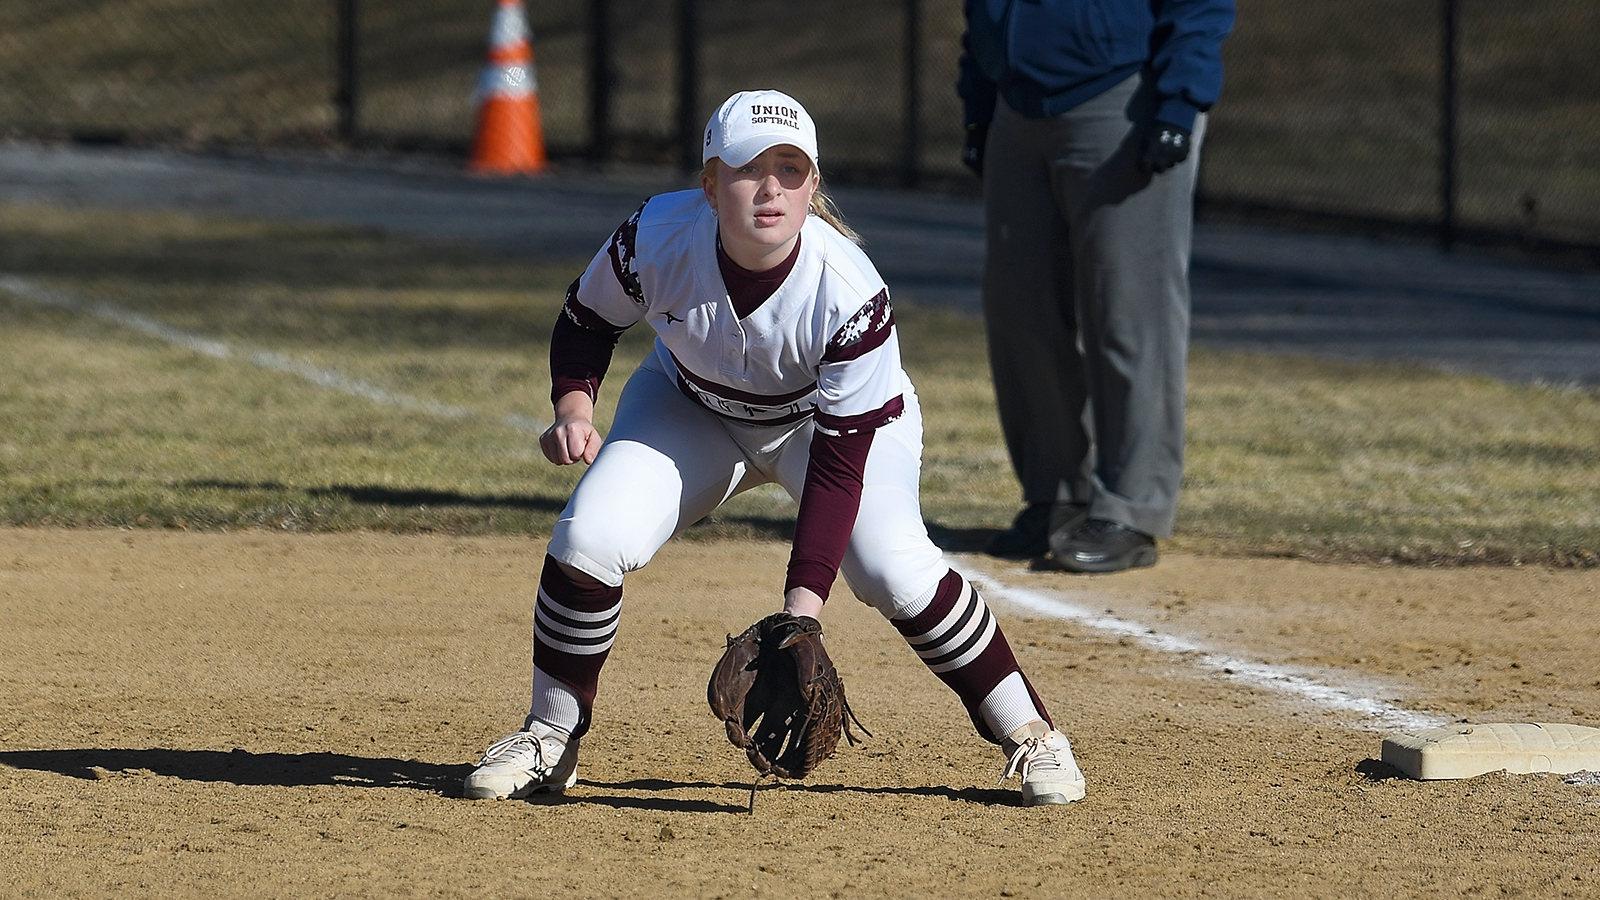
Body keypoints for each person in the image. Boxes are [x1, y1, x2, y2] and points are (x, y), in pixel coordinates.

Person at [463, 90, 1085, 806]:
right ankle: (550, 735)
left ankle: (1033, 735)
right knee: (588, 538)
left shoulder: (849, 292)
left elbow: (839, 466)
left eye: (790, 170)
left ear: (813, 185)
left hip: (827, 429)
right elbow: (585, 321)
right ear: (709, 183)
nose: (770, 189)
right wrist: (573, 405)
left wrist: (802, 612)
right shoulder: (655, 236)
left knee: (894, 571)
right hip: (690, 405)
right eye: (747, 169)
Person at [959, 0, 1234, 572]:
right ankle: (1057, 495)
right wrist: (979, 107)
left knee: (1129, 313)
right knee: (1021, 314)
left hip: (1123, 97)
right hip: (1016, 102)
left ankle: (1131, 510)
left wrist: (1180, 102)